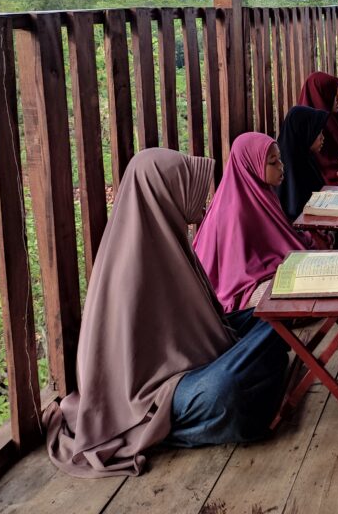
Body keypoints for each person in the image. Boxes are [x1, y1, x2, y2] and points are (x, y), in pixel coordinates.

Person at [44, 149, 289, 477]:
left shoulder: (169, 241)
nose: (202, 201)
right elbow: (124, 379)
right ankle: (175, 432)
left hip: (190, 363)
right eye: (185, 188)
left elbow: (204, 323)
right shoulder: (127, 267)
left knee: (272, 322)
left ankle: (243, 393)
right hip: (154, 394)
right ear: (163, 193)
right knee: (225, 390)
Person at [194, 132, 311, 313]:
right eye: (273, 162)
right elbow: (236, 275)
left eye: (279, 159)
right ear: (251, 164)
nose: (281, 166)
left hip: (261, 271)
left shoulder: (262, 192)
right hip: (240, 287)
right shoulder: (234, 211)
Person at [277, 105, 329, 222]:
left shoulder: (306, 157)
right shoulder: (288, 166)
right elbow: (296, 210)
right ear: (304, 131)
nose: (322, 138)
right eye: (318, 132)